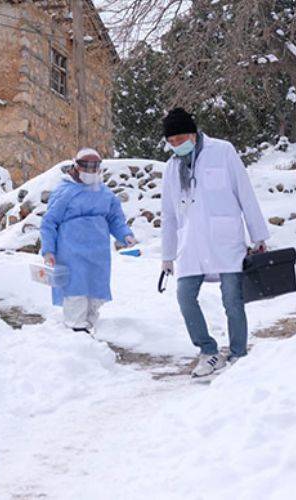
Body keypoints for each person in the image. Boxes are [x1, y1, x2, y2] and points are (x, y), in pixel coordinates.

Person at [159, 108, 270, 377]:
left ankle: (238, 353)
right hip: (191, 245)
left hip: (226, 241)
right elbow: (168, 215)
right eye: (171, 142)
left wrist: (258, 236)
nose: (176, 146)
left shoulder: (222, 151)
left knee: (232, 300)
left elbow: (244, 193)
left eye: (180, 139)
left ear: (193, 134)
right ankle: (208, 351)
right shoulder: (172, 168)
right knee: (185, 296)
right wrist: (167, 256)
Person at [40, 148, 138, 334]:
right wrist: (48, 250)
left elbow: (115, 218)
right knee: (75, 290)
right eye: (87, 168)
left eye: (95, 169)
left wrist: (125, 234)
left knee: (95, 291)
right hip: (71, 251)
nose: (91, 173)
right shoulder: (64, 192)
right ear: (76, 167)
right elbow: (49, 223)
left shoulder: (104, 193)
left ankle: (90, 328)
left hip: (98, 251)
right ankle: (76, 329)